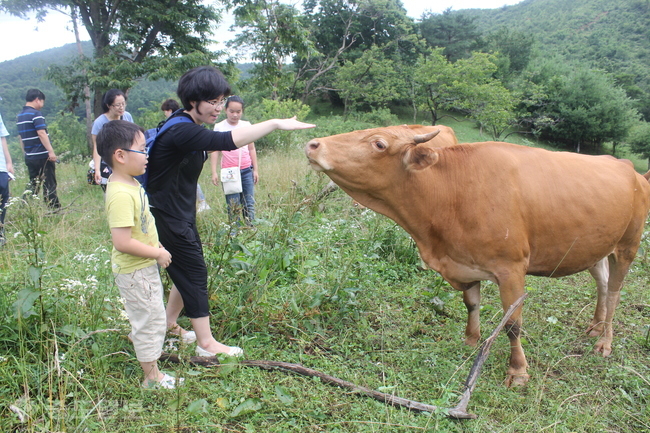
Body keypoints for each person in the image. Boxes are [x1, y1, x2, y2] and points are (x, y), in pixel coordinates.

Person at [146, 66, 314, 357]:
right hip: (167, 215)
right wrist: (274, 123)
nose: (218, 108)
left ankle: (169, 323)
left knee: (184, 271)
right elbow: (225, 141)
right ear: (193, 100)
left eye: (221, 101)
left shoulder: (181, 122)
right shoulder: (182, 129)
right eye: (212, 102)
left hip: (177, 212)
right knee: (195, 273)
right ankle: (206, 344)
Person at [96, 119, 183, 389]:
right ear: (120, 156)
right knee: (150, 319)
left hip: (142, 267)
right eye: (142, 150)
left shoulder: (131, 184)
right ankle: (151, 377)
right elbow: (122, 241)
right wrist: (156, 253)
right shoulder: (121, 193)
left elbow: (141, 228)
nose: (147, 155)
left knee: (152, 314)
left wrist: (155, 248)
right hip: (135, 270)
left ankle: (144, 345)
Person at [211, 96, 258, 226]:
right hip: (229, 171)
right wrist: (214, 172)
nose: (235, 115)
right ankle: (234, 232)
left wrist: (255, 169)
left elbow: (251, 148)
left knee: (249, 202)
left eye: (238, 112)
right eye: (232, 111)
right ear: (226, 110)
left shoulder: (247, 125)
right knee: (233, 203)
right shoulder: (219, 127)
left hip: (246, 170)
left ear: (242, 111)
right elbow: (215, 151)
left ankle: (251, 229)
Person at [159, 98, 211, 212]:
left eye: (165, 111)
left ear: (169, 110)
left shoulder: (177, 125)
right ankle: (202, 202)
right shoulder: (184, 122)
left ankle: (202, 202)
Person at [16, 89, 60, 209]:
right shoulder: (36, 114)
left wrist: (25, 152)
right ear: (37, 100)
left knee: (33, 183)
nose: (42, 105)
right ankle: (53, 208)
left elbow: (21, 137)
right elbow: (41, 132)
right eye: (42, 101)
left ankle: (25, 206)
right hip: (42, 155)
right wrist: (50, 151)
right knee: (49, 182)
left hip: (30, 156)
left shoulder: (20, 116)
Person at [92, 89, 134, 189]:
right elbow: (97, 148)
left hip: (126, 161)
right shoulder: (100, 122)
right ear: (109, 105)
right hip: (108, 163)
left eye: (123, 104)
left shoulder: (127, 117)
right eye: (118, 105)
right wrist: (97, 170)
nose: (121, 107)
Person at [0, 112, 14, 246]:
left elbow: (2, 137)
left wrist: (8, 162)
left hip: (1, 167)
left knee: (3, 201)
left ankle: (0, 235)